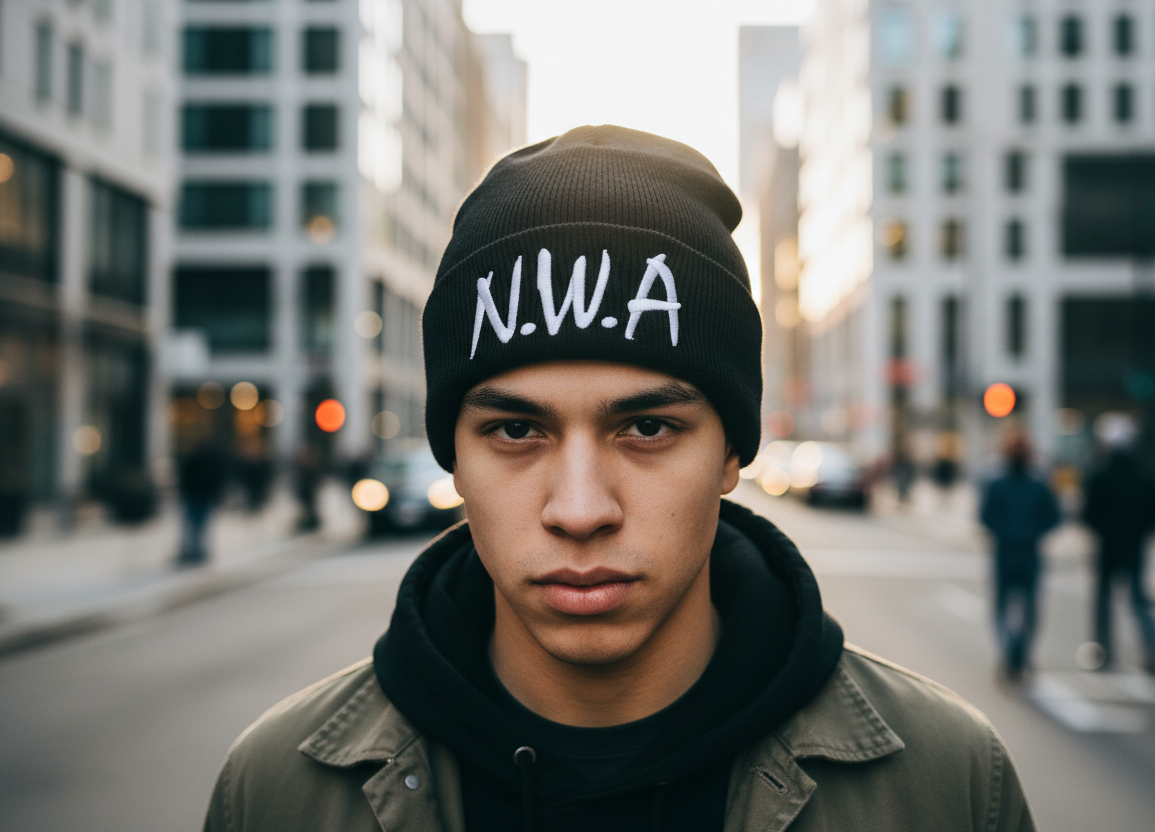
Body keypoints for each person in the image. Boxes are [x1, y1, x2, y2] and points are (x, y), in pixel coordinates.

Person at [203, 126, 1035, 831]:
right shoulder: (280, 792)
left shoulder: (948, 785)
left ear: (731, 455)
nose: (579, 510)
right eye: (516, 430)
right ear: (453, 455)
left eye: (646, 428)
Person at [1082, 413, 1155, 677]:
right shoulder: (1142, 473)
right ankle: (1153, 650)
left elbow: (1089, 513)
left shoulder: (1100, 473)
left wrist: (1103, 530)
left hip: (1108, 546)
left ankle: (1103, 652)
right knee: (1139, 599)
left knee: (1103, 602)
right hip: (1134, 545)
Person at [979, 432, 1061, 682]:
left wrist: (1005, 531)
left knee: (1004, 608)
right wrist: (1033, 532)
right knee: (1029, 609)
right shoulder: (1037, 485)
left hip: (1007, 551)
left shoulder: (999, 484)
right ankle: (1019, 653)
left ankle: (1011, 651)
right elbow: (1054, 517)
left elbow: (985, 516)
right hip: (1028, 552)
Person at [176, 440, 227, 566]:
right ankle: (195, 550)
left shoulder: (195, 461)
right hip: (198, 497)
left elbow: (185, 479)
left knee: (194, 526)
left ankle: (194, 550)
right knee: (197, 526)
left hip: (197, 497)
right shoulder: (207, 462)